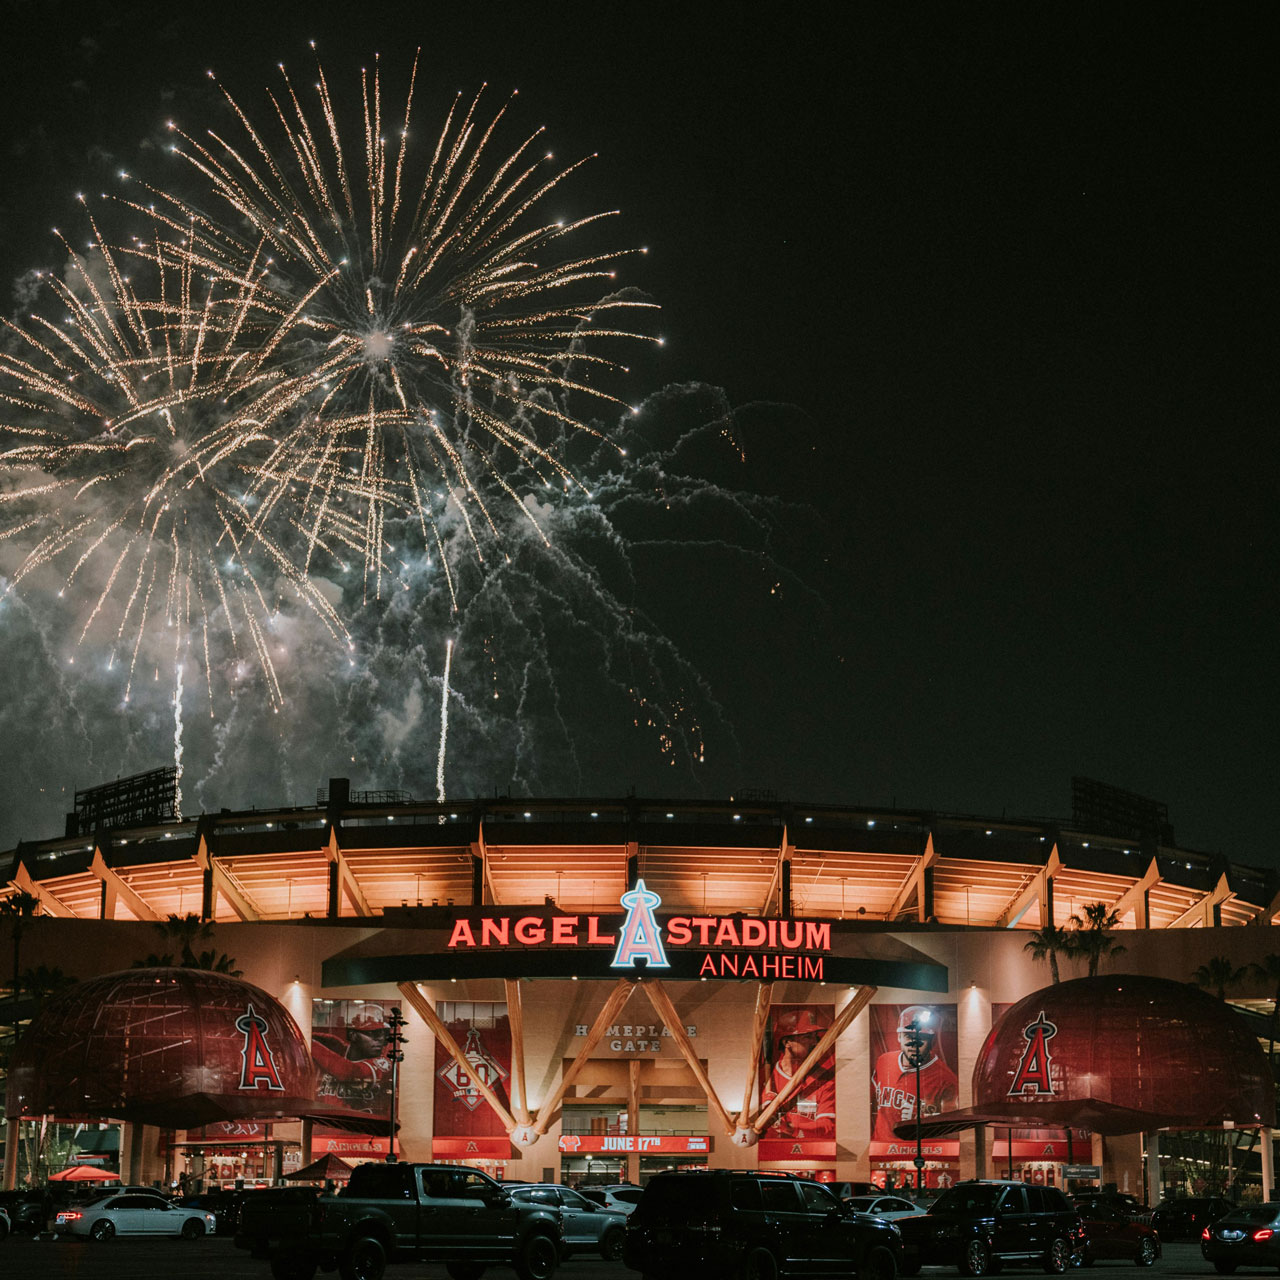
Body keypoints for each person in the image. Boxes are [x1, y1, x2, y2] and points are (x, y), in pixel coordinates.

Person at [872, 1005, 958, 1139]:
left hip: (921, 1150)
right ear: (899, 1037)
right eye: (908, 1036)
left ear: (931, 1041)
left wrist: (922, 1118)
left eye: (921, 1038)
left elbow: (954, 1131)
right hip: (882, 1148)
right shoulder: (884, 1061)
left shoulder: (946, 1079)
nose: (914, 1043)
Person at [762, 1008, 836, 1138]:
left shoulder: (824, 1079)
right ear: (787, 1042)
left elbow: (827, 1126)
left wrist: (792, 1128)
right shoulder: (768, 1078)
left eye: (814, 1037)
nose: (814, 1042)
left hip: (811, 1150)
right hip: (771, 1149)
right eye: (807, 1037)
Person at [312, 1004, 394, 1105]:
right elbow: (332, 1041)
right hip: (326, 1116)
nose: (380, 1039)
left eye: (383, 1034)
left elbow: (349, 1072)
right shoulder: (341, 1050)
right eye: (373, 1033)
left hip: (361, 1118)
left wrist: (311, 1044)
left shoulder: (383, 1063)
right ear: (353, 1035)